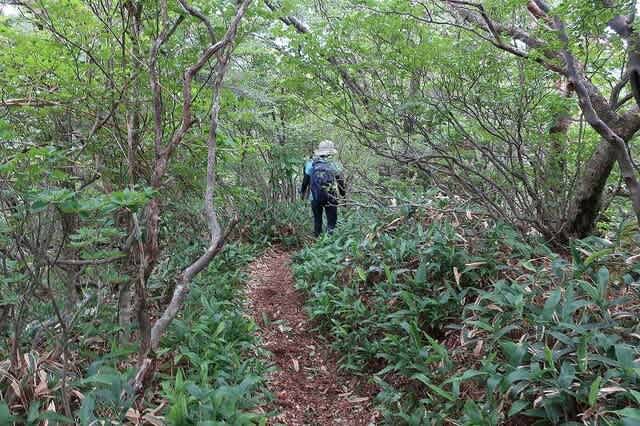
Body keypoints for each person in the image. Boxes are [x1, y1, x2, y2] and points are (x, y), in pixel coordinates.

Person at [300, 140, 346, 236]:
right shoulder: (334, 164)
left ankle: (317, 240)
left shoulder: (310, 163)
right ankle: (330, 241)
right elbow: (340, 182)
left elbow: (305, 181)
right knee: (331, 223)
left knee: (317, 221)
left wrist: (302, 193)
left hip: (315, 197)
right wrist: (343, 195)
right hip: (331, 197)